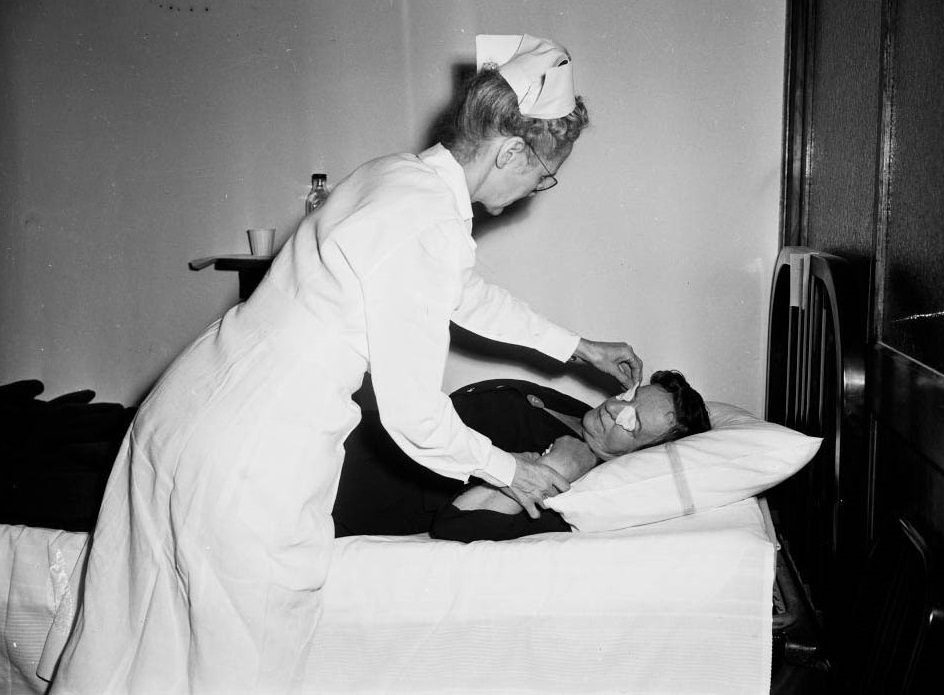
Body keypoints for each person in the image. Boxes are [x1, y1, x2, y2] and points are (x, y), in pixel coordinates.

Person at [50, 35, 643, 694]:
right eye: (544, 173)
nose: (538, 189)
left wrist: (577, 346)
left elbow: (463, 295)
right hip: (247, 459)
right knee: (241, 665)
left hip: (181, 415)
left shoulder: (397, 175)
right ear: (511, 151)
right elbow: (414, 413)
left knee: (139, 642)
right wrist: (512, 470)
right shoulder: (430, 225)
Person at [332, 370, 711, 542]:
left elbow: (457, 526)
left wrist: (546, 469)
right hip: (350, 430)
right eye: (629, 397)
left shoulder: (577, 479)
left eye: (631, 421)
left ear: (639, 454)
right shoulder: (575, 411)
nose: (615, 407)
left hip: (350, 490)